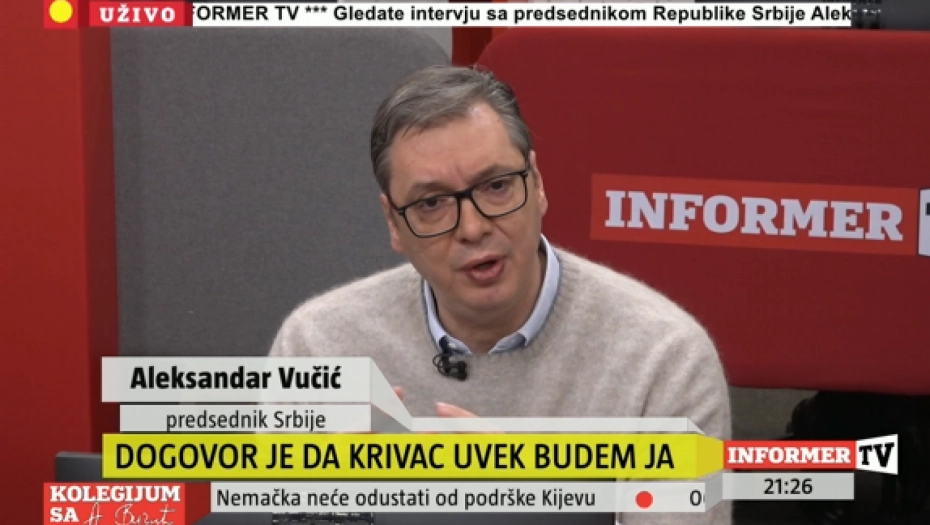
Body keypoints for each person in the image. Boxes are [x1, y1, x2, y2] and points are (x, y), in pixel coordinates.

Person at [268, 64, 732, 524]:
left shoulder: (664, 360)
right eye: (432, 204)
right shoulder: (319, 346)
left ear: (538, 184)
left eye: (496, 187)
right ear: (393, 223)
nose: (472, 228)